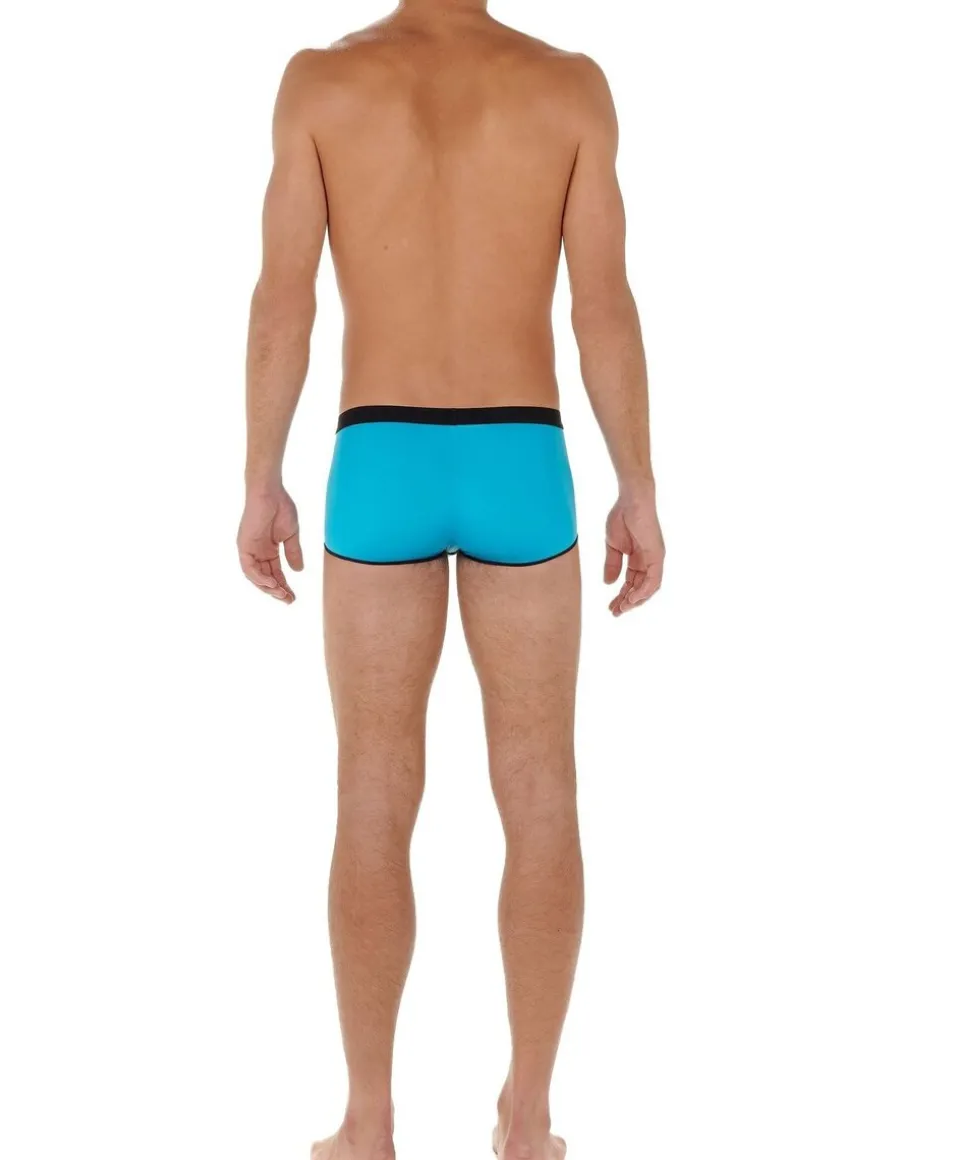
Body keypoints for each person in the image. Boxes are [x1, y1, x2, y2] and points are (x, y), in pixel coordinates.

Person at [237, 2, 664, 1157]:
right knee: (540, 792)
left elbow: (283, 300)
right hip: (520, 451)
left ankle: (366, 1121)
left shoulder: (321, 83)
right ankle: (527, 1119)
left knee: (372, 794)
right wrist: (635, 483)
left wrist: (261, 476)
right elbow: (601, 306)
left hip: (380, 452)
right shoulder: (567, 85)